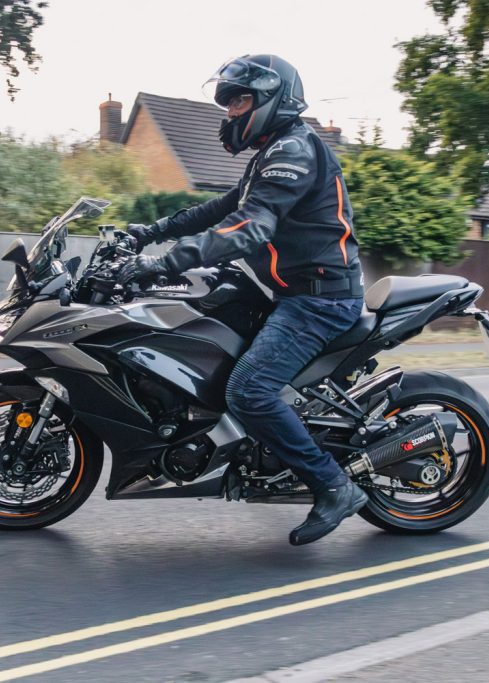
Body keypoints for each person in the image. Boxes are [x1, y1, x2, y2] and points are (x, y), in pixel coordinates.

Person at [118, 54, 367, 546]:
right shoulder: (272, 153)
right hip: (289, 291)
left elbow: (250, 227)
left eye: (240, 101)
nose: (231, 112)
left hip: (319, 299)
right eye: (229, 103)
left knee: (248, 389)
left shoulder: (294, 150)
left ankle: (334, 486)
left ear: (274, 99)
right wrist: (149, 232)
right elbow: (222, 207)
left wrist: (164, 263)